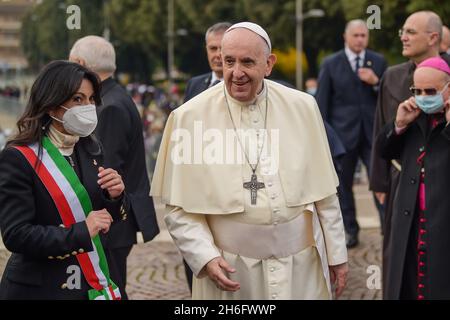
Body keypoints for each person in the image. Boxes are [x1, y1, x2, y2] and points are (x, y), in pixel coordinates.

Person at [151, 22, 348, 300]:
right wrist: (204, 257)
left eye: (247, 62)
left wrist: (337, 255)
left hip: (300, 269)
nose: (236, 73)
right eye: (229, 61)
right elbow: (178, 208)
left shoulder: (303, 107)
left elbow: (325, 194)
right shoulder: (189, 117)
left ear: (268, 64)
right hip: (232, 271)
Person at [0, 61, 127, 300]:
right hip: (42, 287)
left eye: (90, 99)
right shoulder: (19, 157)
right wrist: (81, 232)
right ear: (51, 105)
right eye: (78, 99)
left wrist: (115, 196)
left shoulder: (91, 148)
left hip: (93, 280)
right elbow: (16, 234)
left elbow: (108, 216)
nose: (87, 107)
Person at [69, 36, 159, 299]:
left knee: (110, 289)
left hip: (113, 221)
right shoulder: (113, 97)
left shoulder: (107, 107)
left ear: (81, 64)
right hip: (116, 219)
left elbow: (102, 170)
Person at [368, 11, 450, 299]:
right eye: (418, 90)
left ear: (433, 37)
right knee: (402, 256)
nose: (403, 36)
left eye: (411, 32)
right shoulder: (392, 76)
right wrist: (378, 182)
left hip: (440, 185)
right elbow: (381, 129)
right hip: (402, 182)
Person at [316, 19, 387, 248]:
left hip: (372, 133)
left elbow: (389, 97)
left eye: (363, 36)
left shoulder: (378, 61)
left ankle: (388, 227)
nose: (359, 40)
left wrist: (376, 82)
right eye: (355, 35)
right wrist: (324, 136)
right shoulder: (331, 63)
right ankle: (350, 231)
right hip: (343, 136)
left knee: (380, 181)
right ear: (345, 37)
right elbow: (321, 103)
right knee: (343, 186)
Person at [184, 22, 232, 102]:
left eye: (223, 48)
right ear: (206, 49)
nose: (218, 54)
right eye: (213, 48)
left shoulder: (242, 87)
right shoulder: (194, 84)